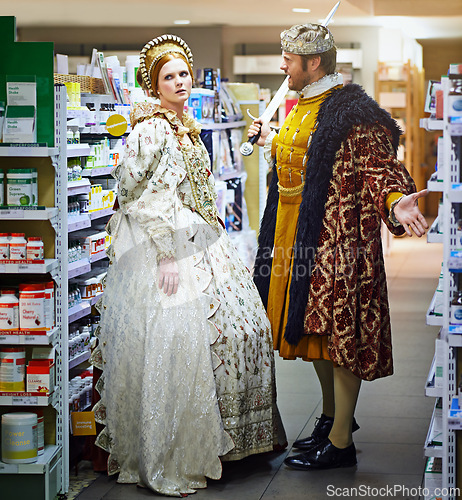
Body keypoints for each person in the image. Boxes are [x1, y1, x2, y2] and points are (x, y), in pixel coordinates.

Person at [90, 34, 286, 497]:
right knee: (180, 344)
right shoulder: (153, 129)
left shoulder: (186, 124)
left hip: (203, 235)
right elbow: (140, 195)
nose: (179, 81)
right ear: (154, 85)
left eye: (183, 73)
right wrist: (166, 254)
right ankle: (181, 448)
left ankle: (238, 441)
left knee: (245, 328)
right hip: (172, 241)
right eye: (169, 76)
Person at [247, 23, 428, 470]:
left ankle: (342, 441)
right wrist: (273, 141)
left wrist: (394, 200)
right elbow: (301, 159)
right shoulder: (301, 104)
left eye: (289, 59)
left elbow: (379, 167)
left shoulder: (353, 111)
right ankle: (330, 419)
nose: (282, 66)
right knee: (312, 335)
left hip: (336, 240)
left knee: (338, 336)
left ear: (313, 63)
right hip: (294, 237)